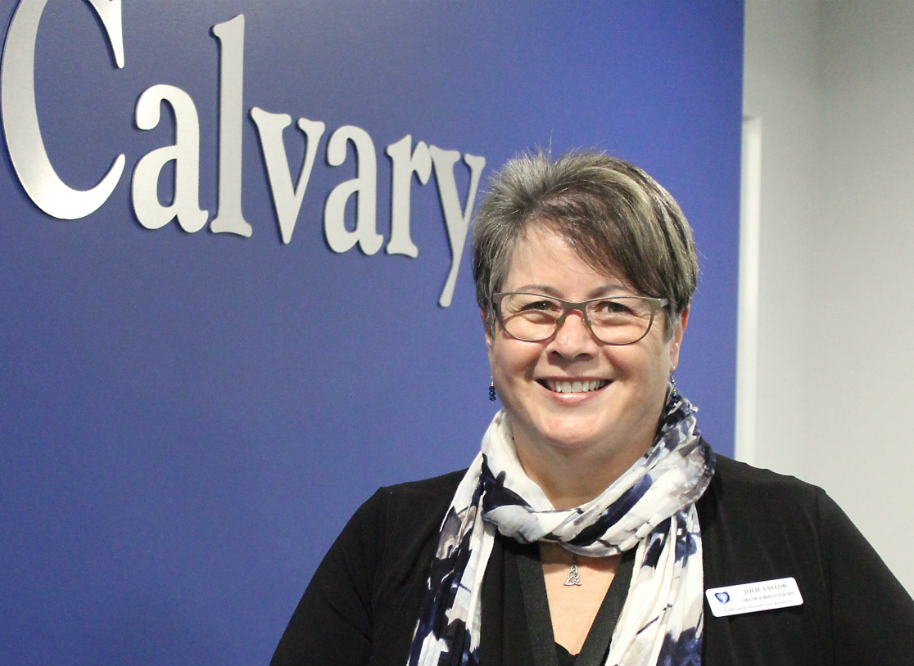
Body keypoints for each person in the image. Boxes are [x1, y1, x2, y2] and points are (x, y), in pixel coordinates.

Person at [270, 151, 914, 666]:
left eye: (614, 307)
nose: (572, 343)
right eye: (536, 307)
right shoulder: (391, 537)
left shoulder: (796, 533)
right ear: (491, 330)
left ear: (676, 332)